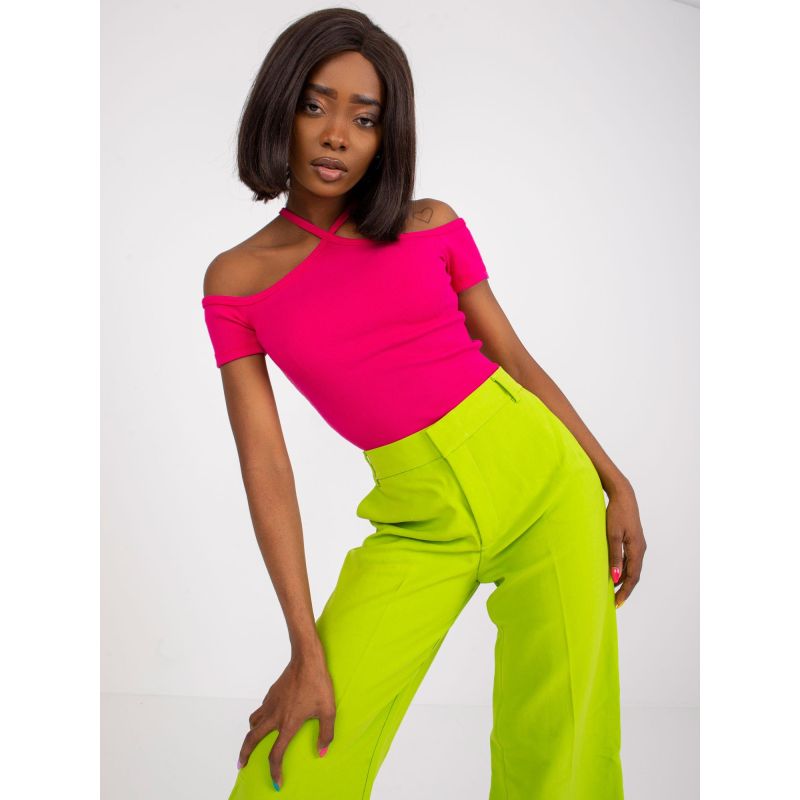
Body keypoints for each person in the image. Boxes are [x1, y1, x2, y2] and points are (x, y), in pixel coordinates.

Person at [201, 8, 645, 799]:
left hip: (547, 484)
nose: (337, 135)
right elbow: (264, 460)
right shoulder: (236, 279)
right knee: (298, 762)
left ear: (386, 136)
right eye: (316, 105)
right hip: (419, 518)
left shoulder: (430, 225)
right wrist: (305, 649)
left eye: (364, 118)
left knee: (561, 749)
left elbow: (514, 360)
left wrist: (614, 481)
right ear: (279, 110)